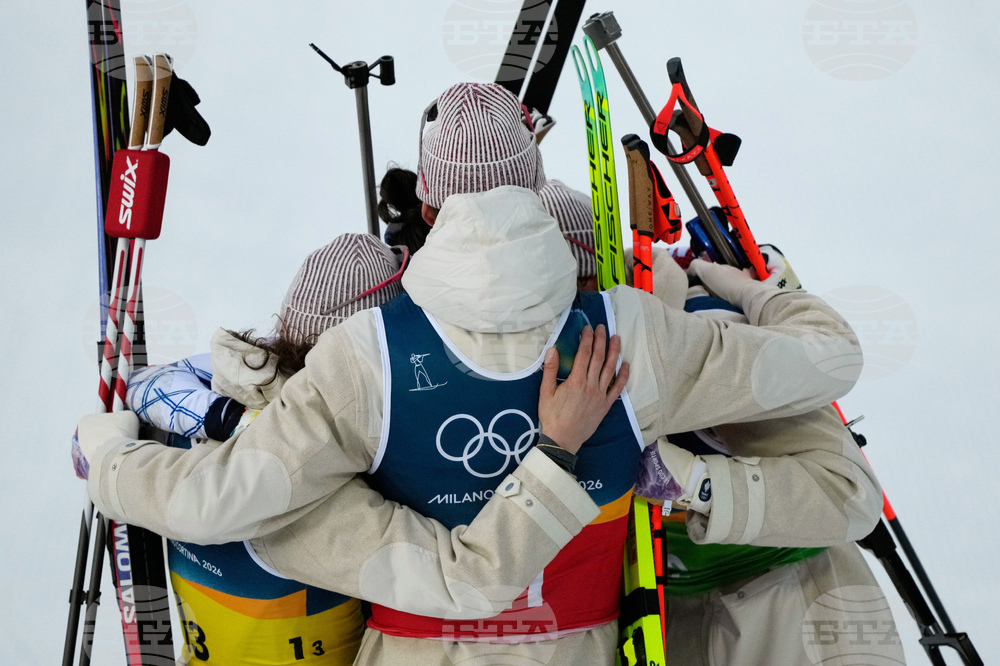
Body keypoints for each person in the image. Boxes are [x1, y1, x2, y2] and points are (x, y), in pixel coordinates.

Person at [79, 81, 864, 664]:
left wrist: (110, 459)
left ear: (425, 205)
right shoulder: (633, 333)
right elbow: (828, 362)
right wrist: (739, 287)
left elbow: (221, 501)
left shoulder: (364, 356)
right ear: (540, 187)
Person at [77, 232, 629, 665]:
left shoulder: (227, 389)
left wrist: (108, 450)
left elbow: (152, 387)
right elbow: (470, 580)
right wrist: (558, 450)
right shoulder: (331, 475)